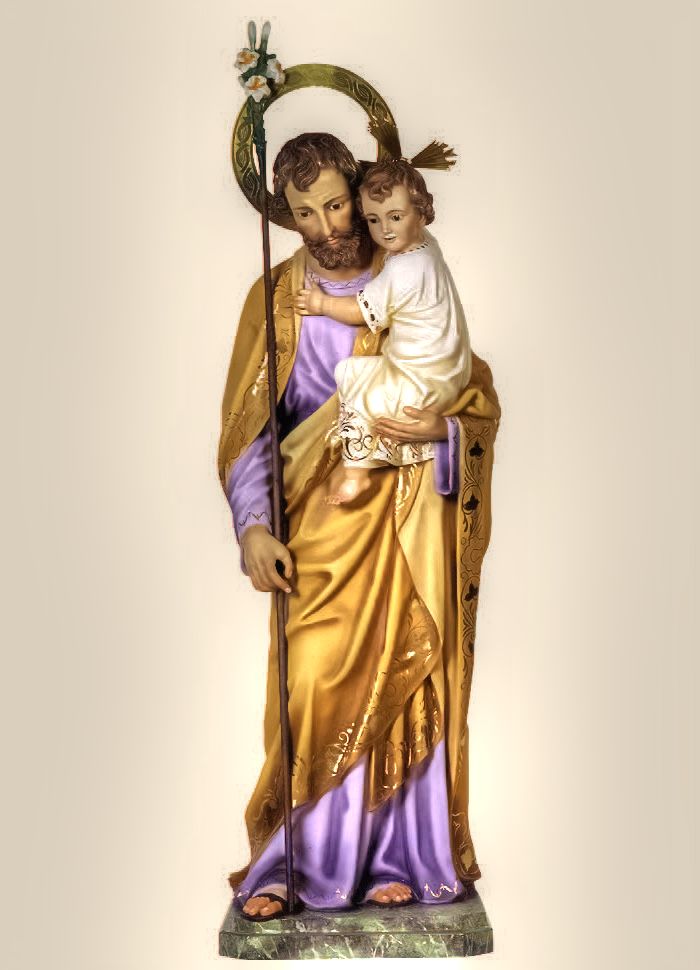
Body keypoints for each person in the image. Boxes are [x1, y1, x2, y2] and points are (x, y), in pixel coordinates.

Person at [218, 132, 500, 921]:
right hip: (317, 529)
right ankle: (295, 861)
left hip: (406, 521)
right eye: (304, 212)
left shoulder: (411, 279)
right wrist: (252, 525)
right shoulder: (275, 300)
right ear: (285, 214)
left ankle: (395, 857)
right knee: (308, 683)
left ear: (362, 190)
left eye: (338, 204)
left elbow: (471, 397)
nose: (327, 226)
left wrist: (444, 434)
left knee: (409, 680)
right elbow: (251, 429)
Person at [294, 158, 472, 504]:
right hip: (440, 369)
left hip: (420, 379)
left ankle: (357, 474)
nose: (385, 230)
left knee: (369, 398)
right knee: (350, 372)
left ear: (422, 214)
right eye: (373, 220)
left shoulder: (404, 269)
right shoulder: (425, 244)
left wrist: (321, 303)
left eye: (395, 217)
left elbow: (358, 311)